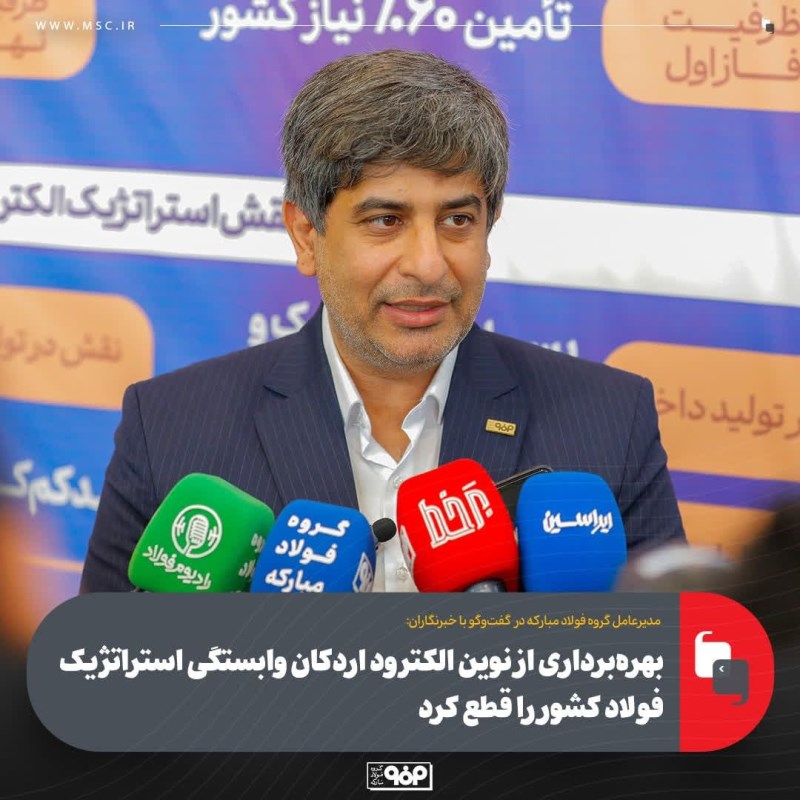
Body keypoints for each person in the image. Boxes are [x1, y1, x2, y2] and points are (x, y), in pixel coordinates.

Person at [80, 49, 684, 593]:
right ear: (306, 234)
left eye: (457, 221)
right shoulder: (169, 427)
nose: (428, 265)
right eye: (385, 221)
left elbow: (663, 665)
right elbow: (102, 671)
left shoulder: (610, 421)